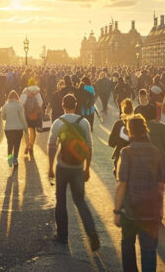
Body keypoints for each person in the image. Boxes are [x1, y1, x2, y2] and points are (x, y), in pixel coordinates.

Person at [113, 114, 165, 272]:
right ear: (145, 130)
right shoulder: (156, 152)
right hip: (151, 211)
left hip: (130, 210)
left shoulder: (126, 152)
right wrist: (160, 210)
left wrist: (117, 211)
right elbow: (160, 185)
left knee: (127, 245)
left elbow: (122, 184)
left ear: (130, 131)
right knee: (149, 251)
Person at [48, 94, 99, 251]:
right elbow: (89, 147)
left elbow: (51, 146)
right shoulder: (83, 122)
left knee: (61, 201)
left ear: (63, 105)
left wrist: (50, 167)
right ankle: (92, 233)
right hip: (78, 168)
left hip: (62, 167)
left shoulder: (58, 122)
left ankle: (62, 235)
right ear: (75, 105)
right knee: (80, 201)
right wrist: (87, 168)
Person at [2, 90, 27, 168]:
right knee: (17, 144)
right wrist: (26, 128)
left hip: (8, 128)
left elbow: (3, 117)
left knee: (10, 144)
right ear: (17, 97)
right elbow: (23, 118)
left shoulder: (5, 105)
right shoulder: (19, 105)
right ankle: (15, 159)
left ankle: (9, 159)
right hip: (18, 128)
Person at [109, 98, 134, 176]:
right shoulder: (137, 122)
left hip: (120, 156)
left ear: (122, 110)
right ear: (132, 110)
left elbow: (111, 143)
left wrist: (119, 141)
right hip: (134, 158)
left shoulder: (118, 124)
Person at [21, 84, 43, 159]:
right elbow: (40, 104)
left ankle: (27, 145)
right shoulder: (37, 95)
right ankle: (31, 146)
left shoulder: (24, 94)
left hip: (26, 116)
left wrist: (26, 113)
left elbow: (21, 104)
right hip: (34, 116)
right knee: (33, 131)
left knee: (26, 131)